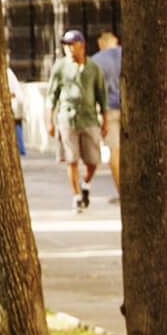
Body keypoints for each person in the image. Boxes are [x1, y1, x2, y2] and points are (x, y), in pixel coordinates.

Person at [42, 28, 108, 211]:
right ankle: (77, 196)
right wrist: (50, 121)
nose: (69, 48)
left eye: (72, 45)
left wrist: (105, 121)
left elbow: (101, 95)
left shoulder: (93, 68)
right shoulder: (60, 67)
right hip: (67, 118)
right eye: (66, 45)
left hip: (89, 119)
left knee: (93, 161)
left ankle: (85, 183)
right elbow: (52, 95)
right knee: (72, 159)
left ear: (82, 46)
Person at [94, 27, 124, 196]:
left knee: (114, 150)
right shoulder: (128, 54)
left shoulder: (96, 61)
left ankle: (121, 191)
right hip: (130, 107)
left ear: (100, 43)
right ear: (116, 40)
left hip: (109, 110)